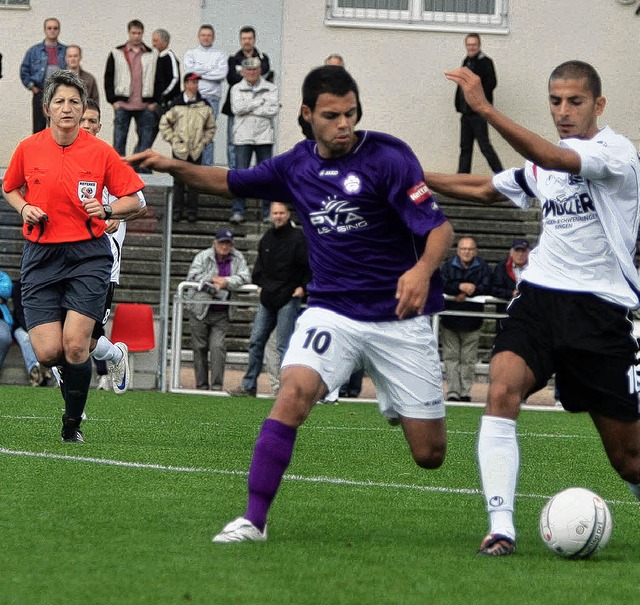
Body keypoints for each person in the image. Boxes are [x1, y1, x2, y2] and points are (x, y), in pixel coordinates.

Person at [128, 65, 454, 543]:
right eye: (331, 115)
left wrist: (421, 271)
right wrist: (173, 165)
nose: (344, 124)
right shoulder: (295, 166)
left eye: (351, 114)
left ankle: (393, 392)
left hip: (398, 317)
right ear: (307, 114)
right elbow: (229, 180)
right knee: (293, 391)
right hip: (332, 311)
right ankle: (253, 520)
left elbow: (439, 229)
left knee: (430, 455)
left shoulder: (389, 157)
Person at [424, 60, 640, 556]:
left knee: (630, 460)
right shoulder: (543, 164)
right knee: (501, 389)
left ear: (599, 105)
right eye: (555, 101)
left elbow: (552, 156)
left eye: (575, 102)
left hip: (599, 312)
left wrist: (483, 109)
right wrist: (408, 177)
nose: (563, 112)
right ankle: (501, 528)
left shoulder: (616, 153)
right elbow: (483, 189)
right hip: (539, 299)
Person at [2, 70, 144, 442]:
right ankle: (88, 367)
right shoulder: (28, 148)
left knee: (77, 345)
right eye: (60, 102)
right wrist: (23, 209)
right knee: (48, 351)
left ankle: (71, 426)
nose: (67, 108)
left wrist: (108, 210)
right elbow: (10, 187)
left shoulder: (100, 152)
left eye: (74, 102)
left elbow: (134, 200)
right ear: (47, 108)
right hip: (40, 255)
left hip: (87, 255)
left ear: (83, 110)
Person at [78, 99, 148, 394]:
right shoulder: (64, 161)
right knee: (57, 334)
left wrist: (118, 213)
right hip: (65, 255)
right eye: (84, 121)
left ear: (100, 126)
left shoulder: (110, 161)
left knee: (88, 336)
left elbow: (141, 205)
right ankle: (69, 396)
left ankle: (114, 354)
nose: (88, 126)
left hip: (103, 260)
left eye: (93, 121)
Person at [228, 201, 311, 397]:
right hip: (268, 298)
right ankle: (249, 385)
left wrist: (304, 288)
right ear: (271, 215)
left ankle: (286, 388)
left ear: (288, 214)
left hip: (289, 298)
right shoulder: (267, 237)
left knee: (283, 345)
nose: (278, 216)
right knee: (256, 341)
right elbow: (259, 268)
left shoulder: (299, 238)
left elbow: (310, 267)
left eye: (281, 213)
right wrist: (261, 285)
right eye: (275, 213)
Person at [185, 228, 251, 390]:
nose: (225, 246)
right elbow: (192, 275)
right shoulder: (203, 256)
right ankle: (201, 385)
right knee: (199, 347)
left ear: (232, 245)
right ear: (215, 243)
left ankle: (216, 386)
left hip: (222, 311)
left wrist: (225, 281)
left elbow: (245, 277)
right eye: (222, 242)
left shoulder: (238, 257)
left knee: (217, 347)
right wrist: (212, 279)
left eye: (228, 243)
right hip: (199, 309)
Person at [439, 236, 491, 402]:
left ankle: (466, 392)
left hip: (473, 321)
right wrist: (459, 288)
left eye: (470, 249)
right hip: (450, 320)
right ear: (458, 251)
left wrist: (472, 290)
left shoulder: (483, 267)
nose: (466, 252)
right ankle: (453, 391)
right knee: (451, 358)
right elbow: (441, 284)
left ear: (475, 251)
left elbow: (488, 286)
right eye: (463, 249)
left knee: (468, 360)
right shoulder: (447, 266)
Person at [159, 72, 216, 223]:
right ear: (185, 84)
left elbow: (211, 127)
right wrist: (173, 140)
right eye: (191, 82)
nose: (194, 86)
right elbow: (164, 124)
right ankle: (177, 211)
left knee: (194, 181)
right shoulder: (177, 105)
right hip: (180, 149)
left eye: (196, 83)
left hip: (196, 150)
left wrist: (204, 141)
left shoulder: (204, 105)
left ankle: (192, 212)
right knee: (178, 181)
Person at [229, 57, 279, 224]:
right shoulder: (236, 88)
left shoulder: (271, 88)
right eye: (248, 70)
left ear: (260, 70)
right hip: (243, 137)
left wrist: (248, 107)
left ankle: (267, 212)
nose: (252, 73)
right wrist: (259, 102)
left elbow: (272, 110)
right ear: (243, 72)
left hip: (264, 137)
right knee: (240, 175)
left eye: (255, 69)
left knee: (267, 176)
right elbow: (237, 109)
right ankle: (238, 211)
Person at [104, 20, 158, 161]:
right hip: (123, 103)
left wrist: (155, 101)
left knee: (145, 143)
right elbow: (108, 77)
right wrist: (113, 100)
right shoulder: (117, 53)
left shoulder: (152, 54)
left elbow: (158, 78)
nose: (136, 36)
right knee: (119, 142)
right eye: (133, 33)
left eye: (139, 33)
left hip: (145, 105)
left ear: (143, 33)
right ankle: (117, 171)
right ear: (129, 33)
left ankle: (142, 172)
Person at [221, 26, 273, 170]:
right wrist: (252, 76)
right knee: (233, 142)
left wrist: (243, 74)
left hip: (259, 108)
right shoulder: (233, 59)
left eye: (249, 38)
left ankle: (258, 178)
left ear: (254, 40)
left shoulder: (263, 58)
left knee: (260, 143)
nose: (247, 41)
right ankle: (234, 174)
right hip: (237, 107)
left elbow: (265, 78)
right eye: (244, 39)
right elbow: (231, 78)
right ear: (240, 40)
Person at [454, 33, 503, 174]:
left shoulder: (486, 62)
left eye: (474, 45)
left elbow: (492, 83)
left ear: (479, 45)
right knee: (465, 148)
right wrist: (459, 103)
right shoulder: (466, 61)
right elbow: (461, 84)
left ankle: (502, 177)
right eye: (469, 45)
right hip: (465, 113)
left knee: (485, 147)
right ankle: (462, 180)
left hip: (478, 113)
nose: (471, 48)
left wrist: (477, 97)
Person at [183, 24, 228, 166]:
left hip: (212, 99)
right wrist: (210, 70)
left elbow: (221, 74)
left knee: (207, 135)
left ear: (213, 37)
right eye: (203, 35)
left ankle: (207, 168)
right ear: (198, 37)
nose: (206, 38)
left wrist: (200, 71)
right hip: (194, 99)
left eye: (209, 35)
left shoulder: (220, 55)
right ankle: (192, 168)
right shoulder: (191, 54)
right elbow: (189, 73)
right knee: (192, 134)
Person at [20, 17, 67, 133]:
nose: (52, 31)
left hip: (60, 95)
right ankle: (38, 151)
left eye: (55, 28)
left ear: (59, 30)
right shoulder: (34, 51)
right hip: (40, 93)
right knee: (38, 129)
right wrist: (32, 87)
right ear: (45, 30)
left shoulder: (66, 51)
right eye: (49, 28)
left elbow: (72, 71)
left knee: (59, 128)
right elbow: (24, 70)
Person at [8, 276, 52, 386]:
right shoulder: (19, 285)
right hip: (21, 326)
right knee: (26, 338)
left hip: (43, 325)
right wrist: (32, 329)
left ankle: (45, 367)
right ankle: (35, 371)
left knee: (49, 337)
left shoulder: (47, 284)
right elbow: (19, 312)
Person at [491, 238, 530, 302]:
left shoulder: (534, 268)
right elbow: (494, 289)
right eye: (517, 251)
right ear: (511, 253)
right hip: (507, 303)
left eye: (523, 251)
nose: (520, 254)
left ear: (528, 254)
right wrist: (511, 293)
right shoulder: (502, 267)